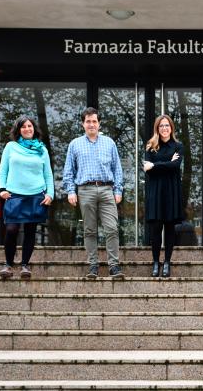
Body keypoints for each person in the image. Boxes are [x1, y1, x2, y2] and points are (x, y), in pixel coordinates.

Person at [63, 107, 124, 279]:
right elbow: (68, 171)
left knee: (112, 228)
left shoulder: (109, 143)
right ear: (83, 124)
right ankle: (93, 266)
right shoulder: (74, 144)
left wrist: (118, 190)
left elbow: (117, 169)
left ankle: (114, 266)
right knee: (89, 230)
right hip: (85, 190)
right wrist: (70, 191)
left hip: (106, 190)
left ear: (99, 123)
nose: (91, 124)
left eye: (94, 121)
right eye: (88, 121)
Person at [0, 116, 54, 279]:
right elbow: (3, 171)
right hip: (14, 194)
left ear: (34, 129)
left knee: (30, 231)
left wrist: (50, 193)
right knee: (11, 229)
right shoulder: (10, 147)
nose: (27, 129)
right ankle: (8, 265)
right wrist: (2, 189)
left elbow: (48, 174)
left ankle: (25, 265)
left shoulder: (42, 149)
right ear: (18, 130)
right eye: (23, 127)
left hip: (36, 195)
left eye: (30, 126)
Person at [143, 114, 184, 278]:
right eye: (161, 126)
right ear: (157, 128)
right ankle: (155, 262)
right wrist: (165, 164)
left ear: (171, 127)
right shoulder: (150, 146)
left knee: (169, 228)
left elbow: (176, 166)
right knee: (155, 229)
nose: (164, 128)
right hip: (155, 191)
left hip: (171, 192)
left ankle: (167, 262)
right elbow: (147, 169)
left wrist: (156, 165)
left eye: (167, 125)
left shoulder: (178, 146)